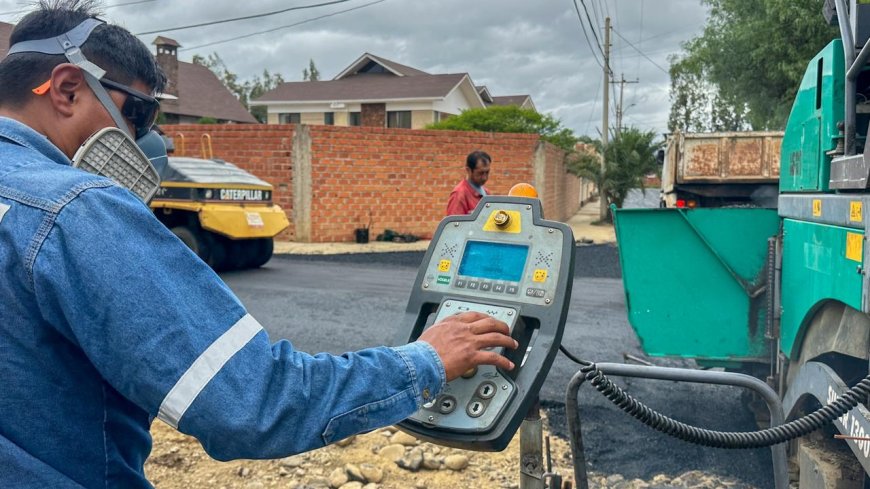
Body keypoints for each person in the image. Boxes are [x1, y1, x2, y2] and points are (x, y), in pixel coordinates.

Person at [0, 3, 517, 488]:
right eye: (136, 113)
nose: (138, 141)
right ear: (66, 89)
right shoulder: (77, 211)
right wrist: (424, 360)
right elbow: (250, 403)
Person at [446, 150, 491, 215]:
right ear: (468, 170)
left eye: (487, 172)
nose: (485, 177)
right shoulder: (459, 194)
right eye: (480, 173)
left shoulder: (486, 192)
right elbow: (454, 224)